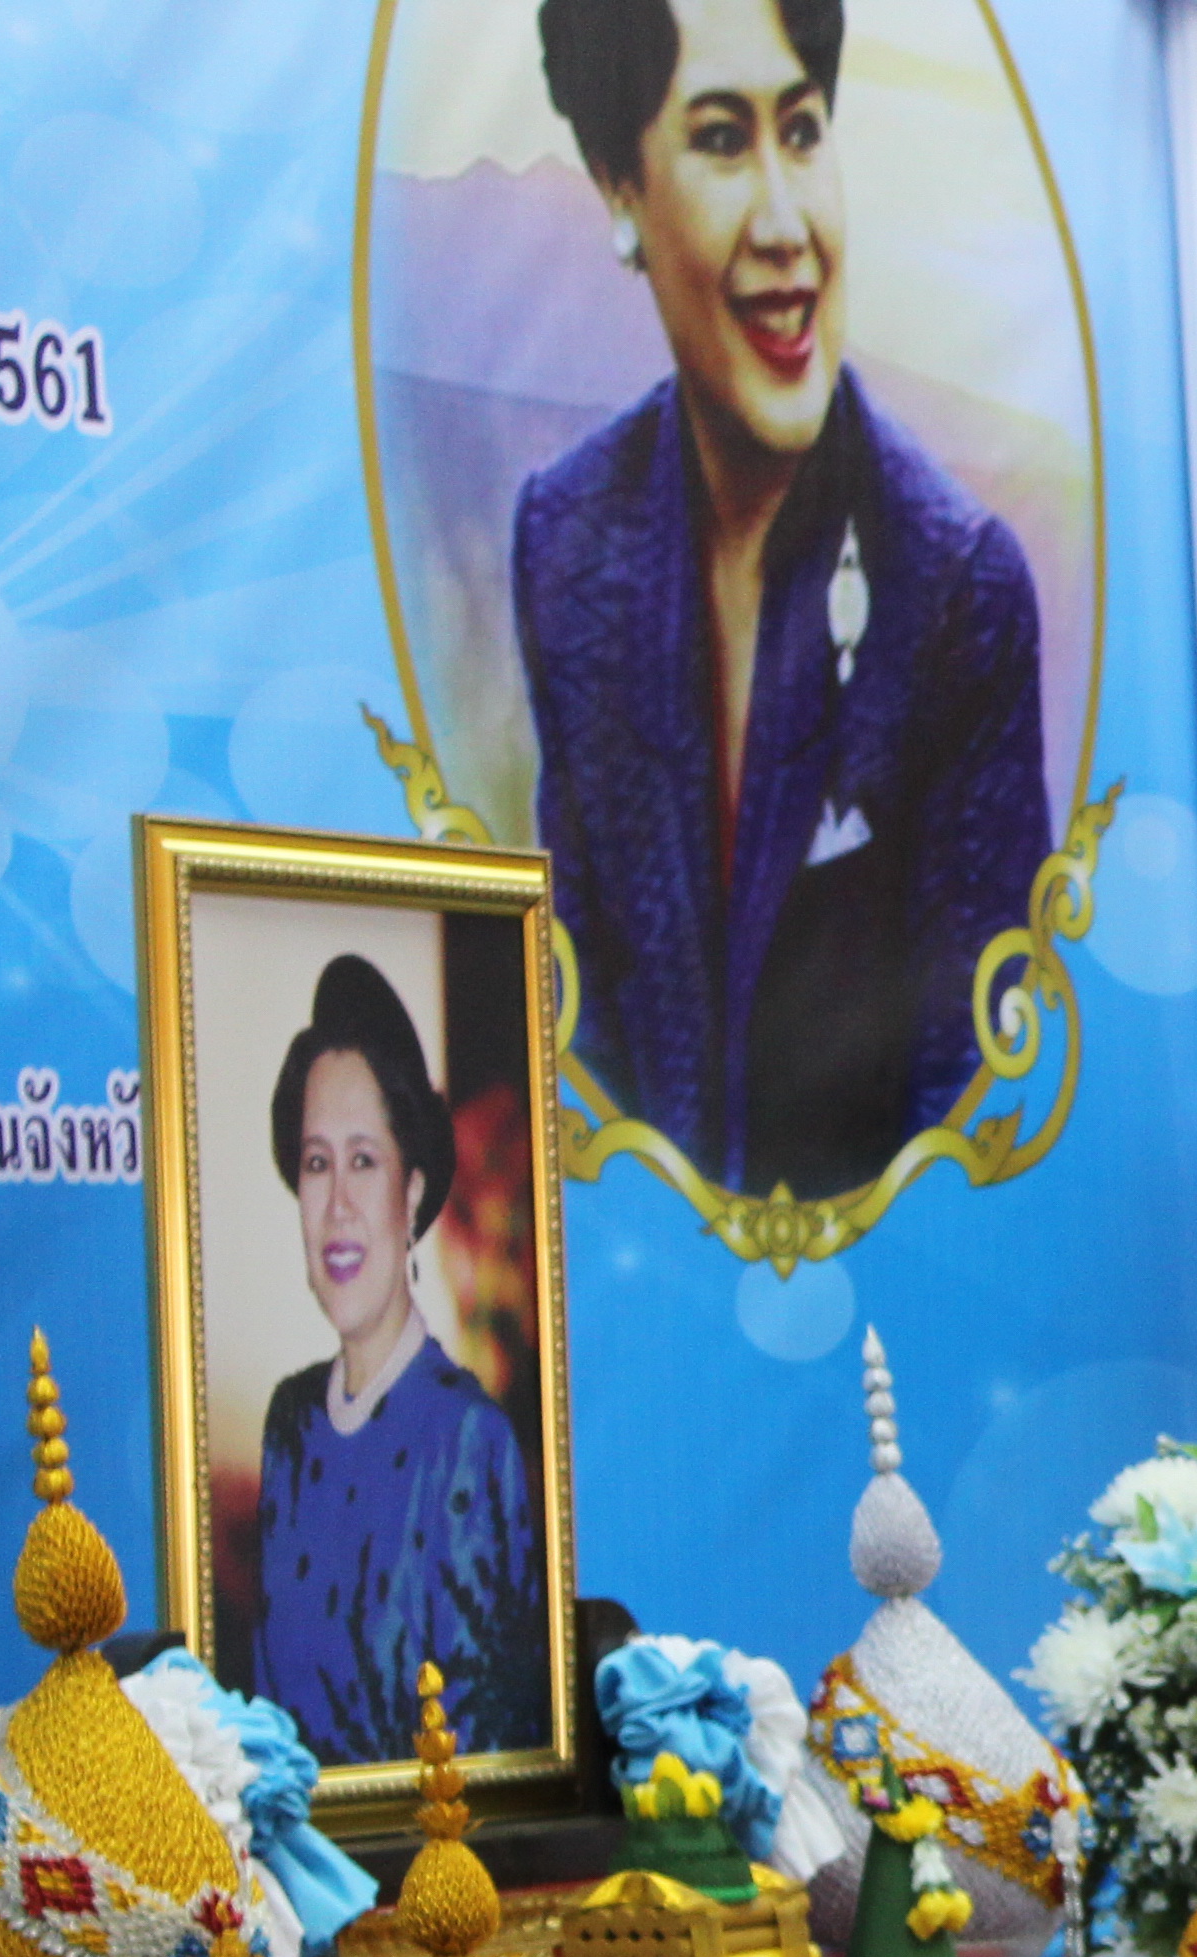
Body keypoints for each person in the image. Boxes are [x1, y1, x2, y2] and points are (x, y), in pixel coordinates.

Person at [519, 0, 1051, 1201]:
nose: (785, 225)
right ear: (618, 189)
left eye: (802, 132)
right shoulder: (566, 538)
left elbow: (969, 1103)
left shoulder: (956, 590)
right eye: (721, 139)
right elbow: (576, 1007)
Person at [226, 955, 550, 1764]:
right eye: (316, 1163)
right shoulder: (290, 1421)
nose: (336, 1205)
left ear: (411, 1192)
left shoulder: (467, 1438)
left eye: (364, 1161)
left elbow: (489, 1752)